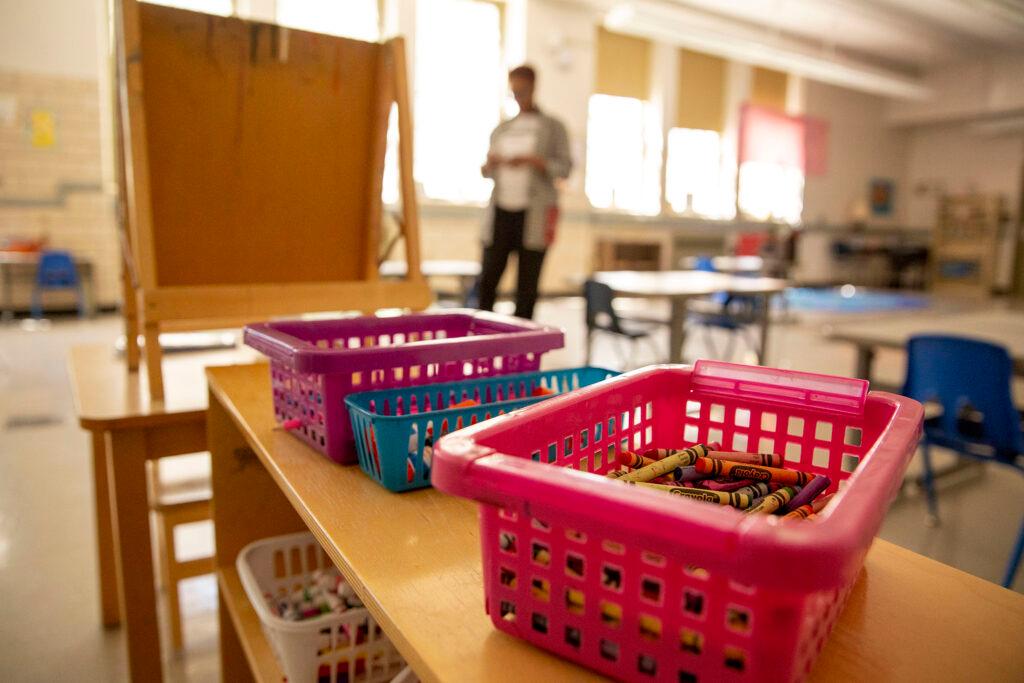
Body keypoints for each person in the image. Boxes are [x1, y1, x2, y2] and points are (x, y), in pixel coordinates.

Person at [478, 65, 571, 319]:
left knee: (526, 288)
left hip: (534, 217)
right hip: (500, 214)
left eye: (523, 90)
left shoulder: (553, 127)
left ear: (533, 87)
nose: (519, 96)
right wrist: (492, 164)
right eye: (514, 91)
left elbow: (565, 168)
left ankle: (521, 349)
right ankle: (481, 342)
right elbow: (486, 171)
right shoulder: (503, 129)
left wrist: (536, 161)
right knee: (487, 281)